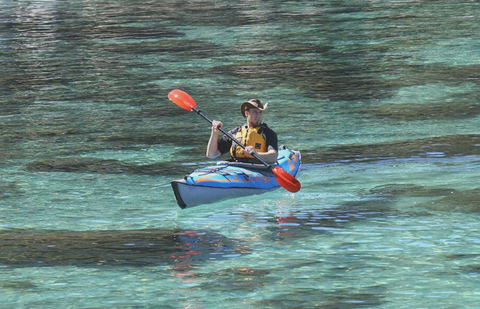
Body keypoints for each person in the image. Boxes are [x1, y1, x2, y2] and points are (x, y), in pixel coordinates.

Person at [206, 99, 278, 164]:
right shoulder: (235, 133)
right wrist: (215, 132)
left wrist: (256, 154)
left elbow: (273, 157)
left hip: (259, 168)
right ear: (246, 113)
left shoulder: (268, 133)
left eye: (260, 112)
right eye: (255, 112)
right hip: (237, 168)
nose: (258, 115)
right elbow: (211, 154)